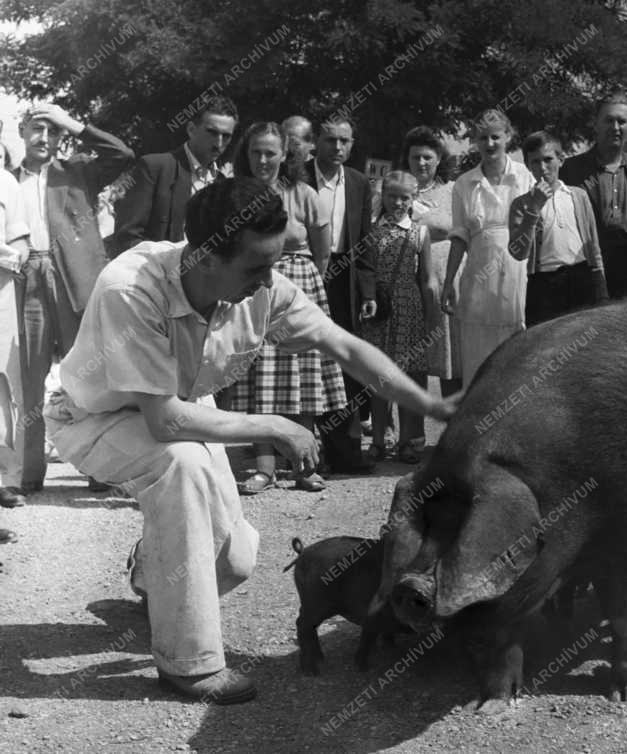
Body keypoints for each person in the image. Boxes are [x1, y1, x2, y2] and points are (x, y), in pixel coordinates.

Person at [44, 177, 458, 704]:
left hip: (184, 415)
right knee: (184, 467)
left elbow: (345, 347)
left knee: (234, 559)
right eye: (257, 267)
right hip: (93, 417)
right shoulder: (131, 286)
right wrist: (275, 425)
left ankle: (151, 572)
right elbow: (165, 423)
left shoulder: (261, 286)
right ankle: (188, 665)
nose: (269, 282)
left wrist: (433, 406)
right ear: (205, 257)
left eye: (274, 263)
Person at [13, 103, 134, 494]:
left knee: (86, 374)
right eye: (36, 129)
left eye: (52, 131)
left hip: (73, 281)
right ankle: (27, 474)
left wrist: (73, 123)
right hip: (22, 277)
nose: (43, 137)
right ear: (21, 131)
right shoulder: (6, 180)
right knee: (28, 376)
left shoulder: (77, 172)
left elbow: (122, 154)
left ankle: (98, 470)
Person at [227, 122, 343, 494]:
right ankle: (264, 469)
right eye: (255, 152)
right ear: (246, 155)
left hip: (299, 282)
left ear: (284, 155)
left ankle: (304, 467)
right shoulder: (238, 193)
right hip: (253, 284)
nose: (263, 160)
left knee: (301, 375)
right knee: (257, 373)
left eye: (270, 153)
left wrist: (305, 286)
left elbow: (323, 251)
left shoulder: (304, 193)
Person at [441, 109, 533, 384]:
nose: (490, 144)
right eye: (483, 138)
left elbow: (535, 224)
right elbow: (459, 237)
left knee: (516, 349)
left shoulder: (524, 175)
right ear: (475, 141)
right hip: (479, 275)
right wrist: (448, 282)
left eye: (496, 137)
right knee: (479, 354)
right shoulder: (464, 183)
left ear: (508, 137)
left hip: (518, 271)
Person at [306, 118, 377, 472]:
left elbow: (364, 239)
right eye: (330, 140)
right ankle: (303, 450)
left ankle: (343, 450)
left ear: (352, 144)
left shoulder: (359, 182)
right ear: (317, 141)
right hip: (304, 273)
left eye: (344, 141)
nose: (337, 148)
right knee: (305, 359)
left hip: (344, 279)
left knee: (344, 364)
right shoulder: (298, 177)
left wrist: (368, 289)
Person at [361, 172, 431, 463]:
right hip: (379, 310)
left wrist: (431, 316)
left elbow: (427, 278)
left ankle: (406, 441)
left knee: (406, 378)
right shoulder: (371, 232)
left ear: (414, 198)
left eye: (405, 197)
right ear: (383, 196)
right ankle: (378, 439)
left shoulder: (420, 233)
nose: (398, 202)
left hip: (409, 310)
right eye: (392, 196)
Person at [111, 95, 237, 255]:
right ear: (191, 129)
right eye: (212, 132)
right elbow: (126, 238)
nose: (219, 143)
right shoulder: (155, 168)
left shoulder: (223, 185)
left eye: (226, 136)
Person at [509, 131, 608, 326]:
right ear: (528, 166)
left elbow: (593, 246)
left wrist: (601, 286)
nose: (543, 167)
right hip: (544, 282)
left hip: (581, 277)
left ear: (561, 159)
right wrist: (534, 208)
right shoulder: (521, 204)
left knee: (585, 342)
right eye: (535, 162)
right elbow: (517, 252)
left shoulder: (578, 195)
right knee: (545, 346)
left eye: (548, 159)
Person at [560, 92, 627, 299]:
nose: (615, 128)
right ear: (596, 124)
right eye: (608, 120)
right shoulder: (571, 170)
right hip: (588, 268)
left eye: (622, 121)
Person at [402, 126, 461, 398]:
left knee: (450, 360)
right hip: (407, 287)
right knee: (410, 361)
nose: (421, 163)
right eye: (415, 157)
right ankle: (411, 436)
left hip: (447, 284)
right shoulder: (396, 191)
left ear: (438, 158)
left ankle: (453, 427)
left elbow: (464, 229)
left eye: (427, 157)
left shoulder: (454, 190)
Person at [0, 157, 30, 509]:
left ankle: (3, 478)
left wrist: (9, 257)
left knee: (1, 383)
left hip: (0, 293)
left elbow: (20, 246)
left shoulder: (6, 182)